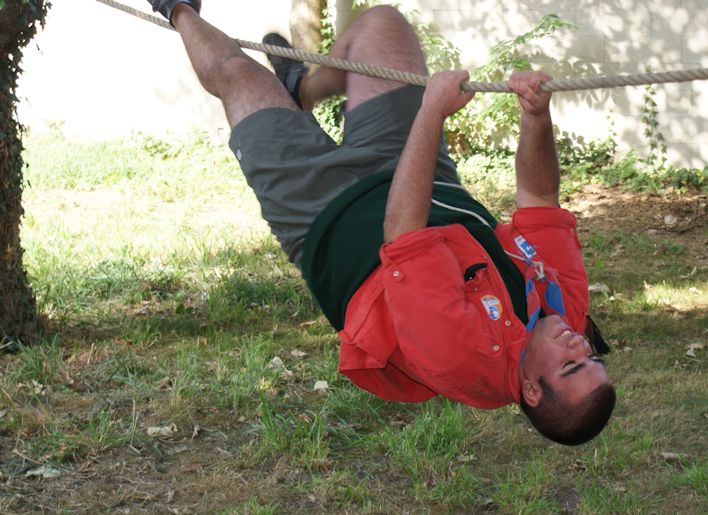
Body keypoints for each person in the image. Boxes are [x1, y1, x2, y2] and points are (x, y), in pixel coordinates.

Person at [148, 0, 615, 445]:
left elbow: (404, 234)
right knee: (382, 25)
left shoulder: (460, 357)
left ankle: (175, 7)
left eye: (571, 365)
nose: (579, 344)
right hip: (423, 183)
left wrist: (432, 110)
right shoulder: (567, 313)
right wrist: (537, 117)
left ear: (531, 389)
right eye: (592, 356)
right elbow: (540, 200)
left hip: (329, 219)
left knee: (238, 75)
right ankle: (305, 89)